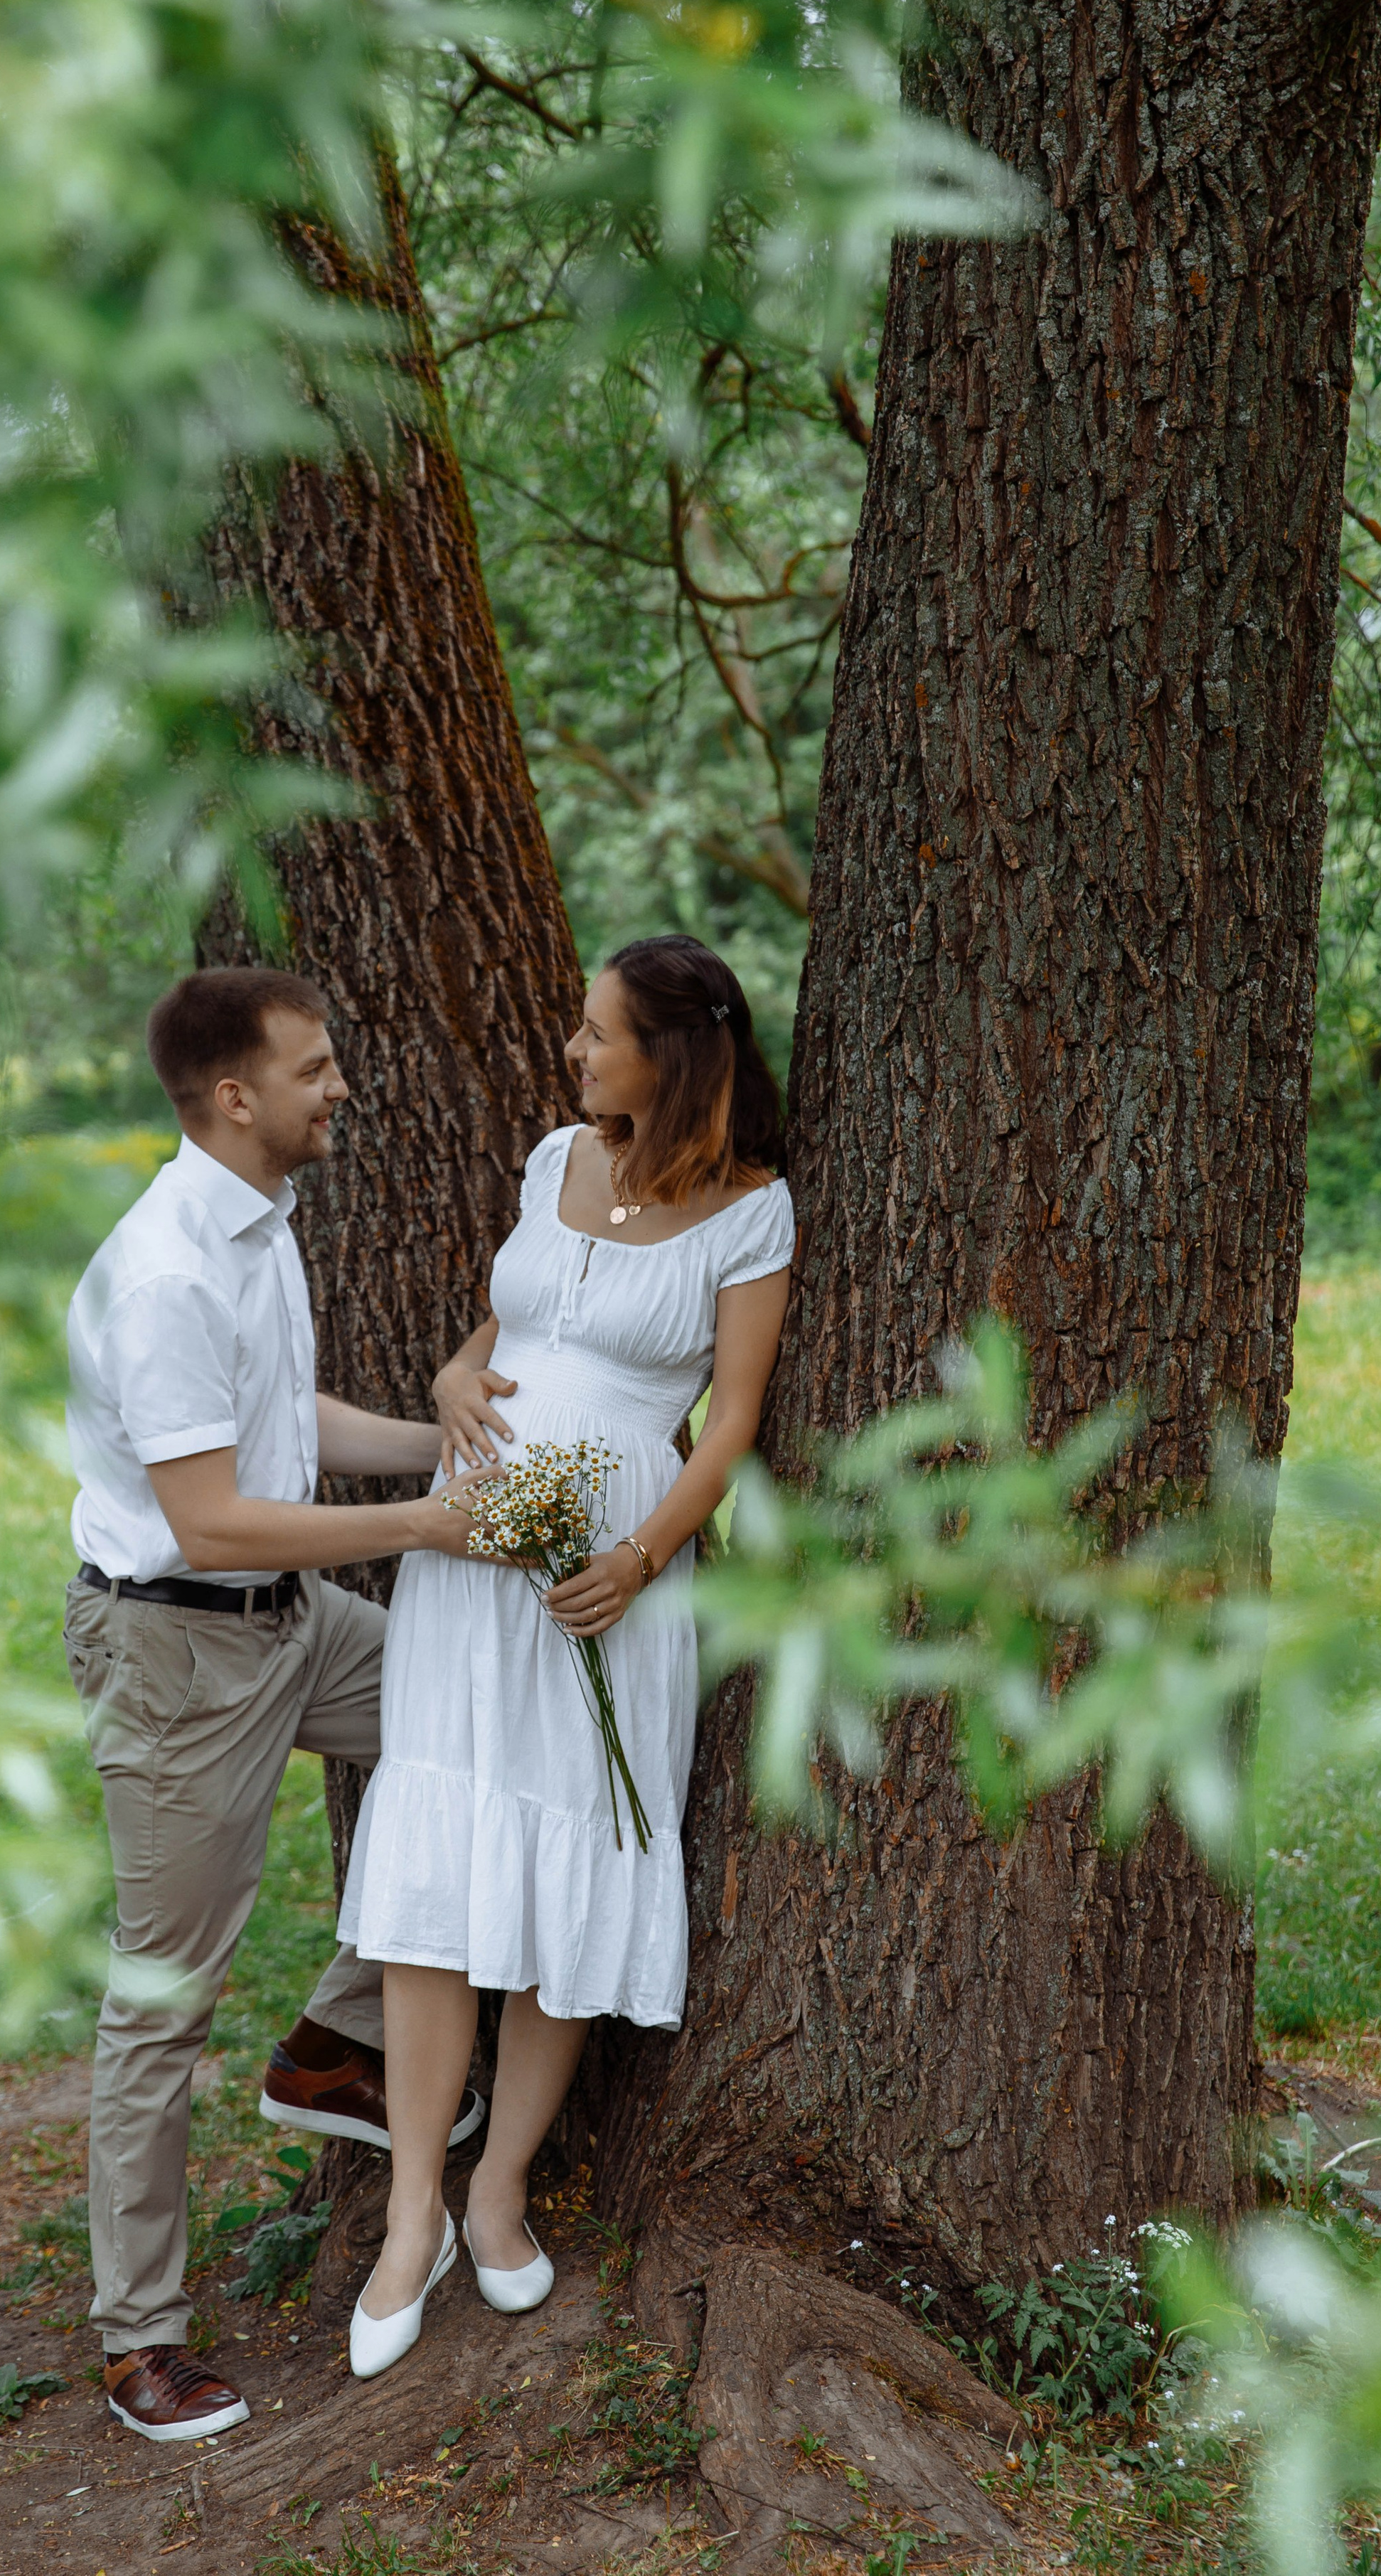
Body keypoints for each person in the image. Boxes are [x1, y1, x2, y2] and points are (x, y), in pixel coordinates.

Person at [336, 934, 795, 2376]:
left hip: (607, 1583)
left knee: (571, 1862)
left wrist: (638, 1559)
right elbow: (508, 1324)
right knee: (437, 1874)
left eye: (600, 1035)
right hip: (467, 1558)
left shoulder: (750, 1211)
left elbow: (728, 1421)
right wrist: (450, 1373)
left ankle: (498, 2188)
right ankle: (408, 2214)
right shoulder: (555, 1159)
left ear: (676, 1056)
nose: (575, 1053)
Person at [63, 966, 491, 2444]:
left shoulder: (260, 1216)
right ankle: (139, 2340)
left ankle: (332, 2044)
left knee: (486, 1731)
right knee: (162, 1999)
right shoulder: (165, 1271)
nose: (341, 1088)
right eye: (315, 1070)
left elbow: (276, 1423)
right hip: (179, 1653)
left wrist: (444, 1448)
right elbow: (210, 1520)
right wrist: (426, 1528)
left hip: (291, 1622)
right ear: (237, 1096)